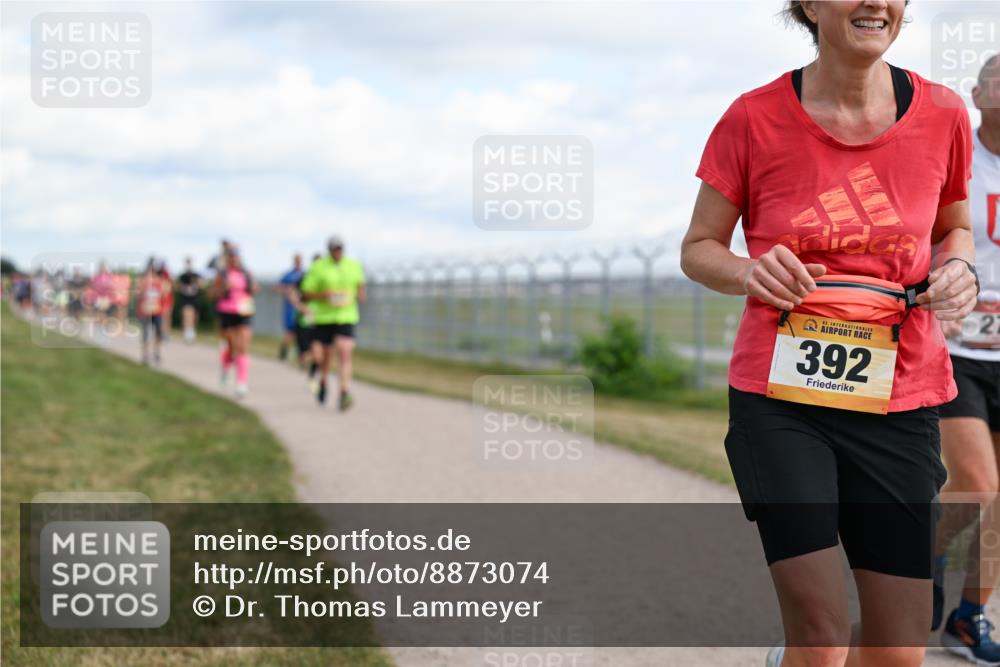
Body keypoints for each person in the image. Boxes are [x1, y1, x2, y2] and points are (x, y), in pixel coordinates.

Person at [679, 3, 976, 666]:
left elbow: (954, 225)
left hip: (900, 397)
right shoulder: (751, 117)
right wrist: (749, 269)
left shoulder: (946, 114)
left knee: (899, 649)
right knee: (821, 636)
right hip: (782, 400)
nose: (877, 1)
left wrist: (959, 264)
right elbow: (698, 248)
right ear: (810, 5)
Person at [932, 55, 1000, 665]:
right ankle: (917, 558)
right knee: (978, 484)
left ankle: (968, 615)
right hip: (958, 349)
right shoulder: (959, 160)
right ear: (977, 93)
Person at [300, 237, 365, 410]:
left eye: (340, 249)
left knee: (345, 351)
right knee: (326, 354)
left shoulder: (353, 265)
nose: (337, 252)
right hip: (324, 317)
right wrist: (324, 296)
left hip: (346, 315)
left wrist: (359, 295)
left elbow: (360, 287)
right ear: (329, 250)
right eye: (334, 249)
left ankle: (344, 392)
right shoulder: (319, 267)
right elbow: (305, 293)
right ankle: (323, 381)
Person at [211, 246, 257, 398]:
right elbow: (212, 294)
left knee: (242, 346)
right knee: (231, 347)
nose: (234, 259)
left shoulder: (246, 273)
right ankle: (225, 367)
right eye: (231, 256)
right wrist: (224, 288)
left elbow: (255, 289)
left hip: (244, 312)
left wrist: (253, 288)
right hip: (227, 312)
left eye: (236, 256)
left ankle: (241, 382)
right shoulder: (222, 274)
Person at [136, 258, 167, 365]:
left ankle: (156, 353)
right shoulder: (143, 281)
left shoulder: (160, 281)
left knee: (158, 333)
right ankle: (145, 354)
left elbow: (163, 295)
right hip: (145, 311)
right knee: (145, 333)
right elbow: (139, 295)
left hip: (157, 310)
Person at [276, 254, 305, 362]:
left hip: (302, 307)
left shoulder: (304, 274)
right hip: (290, 307)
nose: (298, 262)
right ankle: (283, 350)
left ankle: (300, 356)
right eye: (296, 260)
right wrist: (287, 290)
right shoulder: (288, 275)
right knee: (290, 332)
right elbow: (277, 287)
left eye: (300, 260)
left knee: (301, 332)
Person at [177, 258, 202, 344]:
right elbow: (179, 287)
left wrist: (195, 282)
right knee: (187, 316)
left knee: (194, 318)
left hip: (195, 299)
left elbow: (200, 285)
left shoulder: (196, 275)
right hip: (186, 299)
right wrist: (185, 288)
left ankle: (191, 332)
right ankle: (188, 335)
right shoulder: (182, 276)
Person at [156, 260, 174, 340]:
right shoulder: (158, 276)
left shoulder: (167, 276)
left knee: (167, 317)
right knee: (162, 318)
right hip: (160, 301)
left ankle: (166, 333)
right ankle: (162, 333)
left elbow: (169, 289)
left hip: (167, 300)